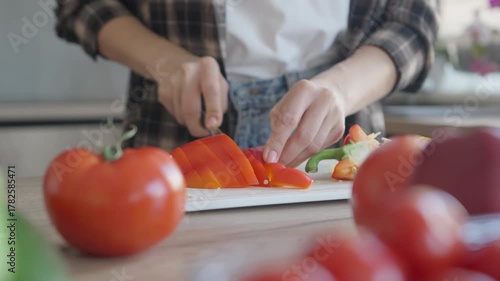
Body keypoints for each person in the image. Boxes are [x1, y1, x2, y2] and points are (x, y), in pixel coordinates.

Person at [55, 0, 438, 168]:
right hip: (171, 140)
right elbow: (80, 4)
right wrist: (165, 62)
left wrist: (340, 89)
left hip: (342, 145)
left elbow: (414, 20)